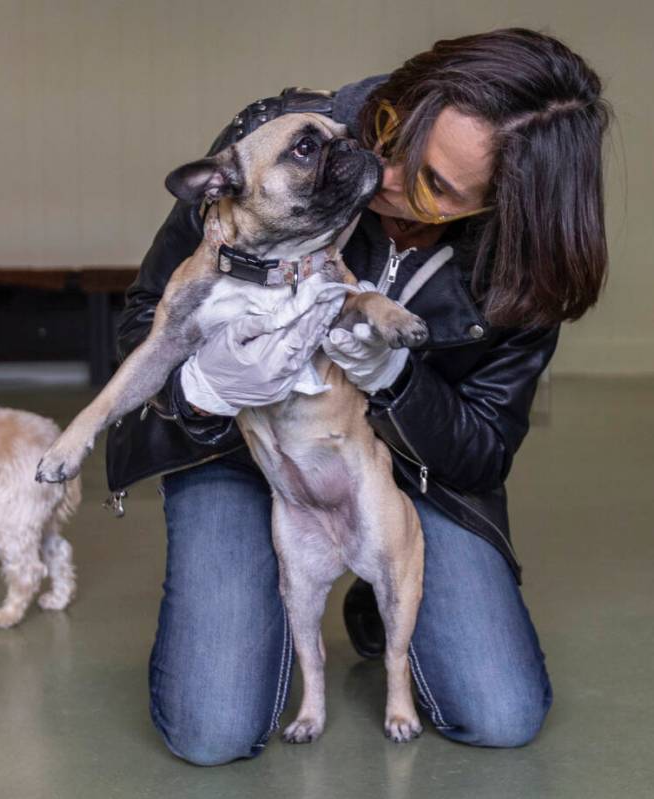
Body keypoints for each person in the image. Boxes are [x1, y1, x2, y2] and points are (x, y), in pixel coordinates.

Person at [103, 28, 610, 765]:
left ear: (505, 207)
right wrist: (205, 389)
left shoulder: (527, 264)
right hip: (246, 449)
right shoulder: (281, 138)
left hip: (403, 467)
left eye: (437, 184)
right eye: (393, 132)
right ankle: (269, 606)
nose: (388, 174)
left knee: (500, 713)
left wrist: (396, 383)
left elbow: (483, 449)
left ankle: (374, 596)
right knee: (212, 728)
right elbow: (140, 318)